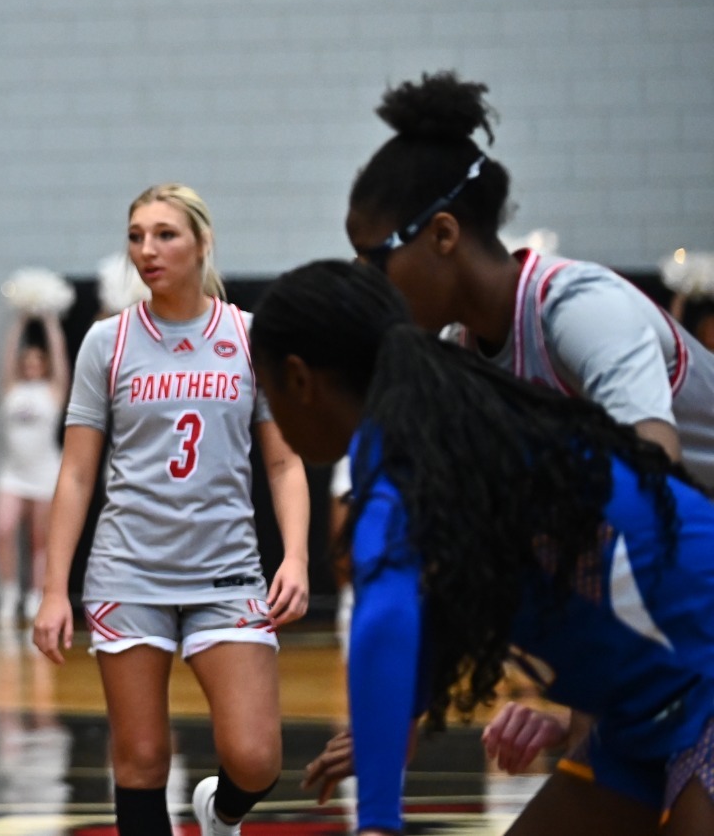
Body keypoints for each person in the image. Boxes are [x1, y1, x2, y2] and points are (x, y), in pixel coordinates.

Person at [251, 259, 714, 836]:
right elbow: (428, 601)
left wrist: (377, 821)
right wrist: (402, 715)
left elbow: (386, 616)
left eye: (267, 390)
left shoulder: (399, 455)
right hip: (652, 706)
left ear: (299, 380)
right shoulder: (446, 420)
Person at [32, 185, 310, 836]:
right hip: (128, 570)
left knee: (256, 758)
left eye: (165, 235)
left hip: (226, 570)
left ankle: (221, 811)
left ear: (203, 242)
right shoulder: (107, 342)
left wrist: (296, 556)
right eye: (136, 236)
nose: (147, 250)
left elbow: (284, 463)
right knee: (142, 757)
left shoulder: (248, 336)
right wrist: (53, 590)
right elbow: (76, 474)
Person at [346, 71, 714, 483]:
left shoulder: (582, 308)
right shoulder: (459, 350)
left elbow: (657, 485)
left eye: (375, 259)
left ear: (443, 235)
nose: (368, 284)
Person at [0, 313, 67, 632]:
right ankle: (9, 592)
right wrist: (19, 320)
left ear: (44, 365)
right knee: (3, 529)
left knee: (40, 540)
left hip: (45, 474)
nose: (32, 366)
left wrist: (50, 322)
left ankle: (36, 595)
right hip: (12, 473)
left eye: (38, 361)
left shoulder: (53, 391)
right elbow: (7, 358)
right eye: (28, 361)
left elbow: (61, 360)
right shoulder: (12, 388)